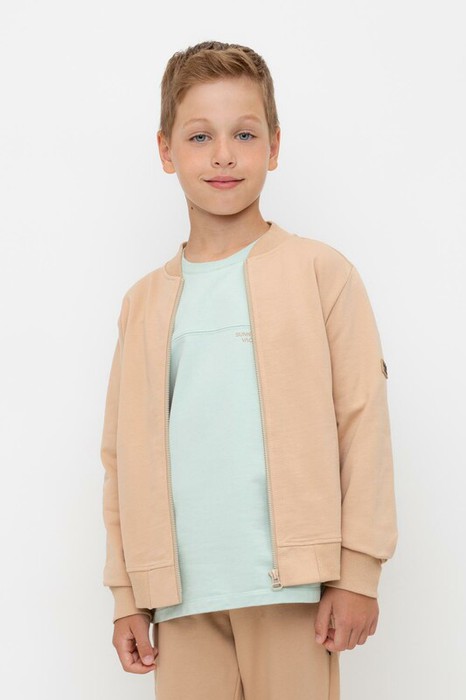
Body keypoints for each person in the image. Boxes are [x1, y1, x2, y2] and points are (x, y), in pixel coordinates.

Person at [99, 40, 398, 699]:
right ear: (166, 151)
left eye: (244, 134)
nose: (224, 155)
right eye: (199, 136)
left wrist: (357, 572)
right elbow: (122, 454)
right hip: (180, 598)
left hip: (293, 590)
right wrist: (127, 593)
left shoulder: (321, 273)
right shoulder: (144, 303)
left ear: (274, 145)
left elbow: (362, 422)